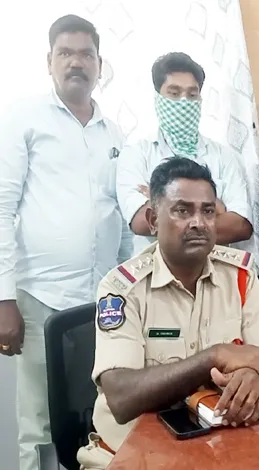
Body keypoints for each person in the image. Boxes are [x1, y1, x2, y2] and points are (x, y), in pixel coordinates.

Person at [77, 157, 259, 469]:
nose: (198, 222)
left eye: (208, 211)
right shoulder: (122, 288)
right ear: (153, 220)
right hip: (131, 457)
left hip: (219, 452)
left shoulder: (240, 276)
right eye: (182, 210)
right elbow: (121, 397)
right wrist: (214, 356)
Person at [0, 15, 131, 470]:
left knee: (94, 416)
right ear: (49, 61)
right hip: (40, 298)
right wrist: (4, 299)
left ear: (99, 64)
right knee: (39, 426)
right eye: (66, 53)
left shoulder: (113, 132)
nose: (77, 62)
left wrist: (127, 286)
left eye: (86, 54)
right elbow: (2, 208)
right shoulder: (23, 119)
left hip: (100, 303)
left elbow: (121, 216)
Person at [116, 52, 256, 258]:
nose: (184, 102)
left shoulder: (223, 157)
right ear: (158, 98)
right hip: (155, 272)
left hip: (215, 272)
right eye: (174, 93)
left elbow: (240, 226)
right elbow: (140, 221)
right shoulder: (136, 153)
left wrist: (163, 202)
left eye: (192, 95)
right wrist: (217, 207)